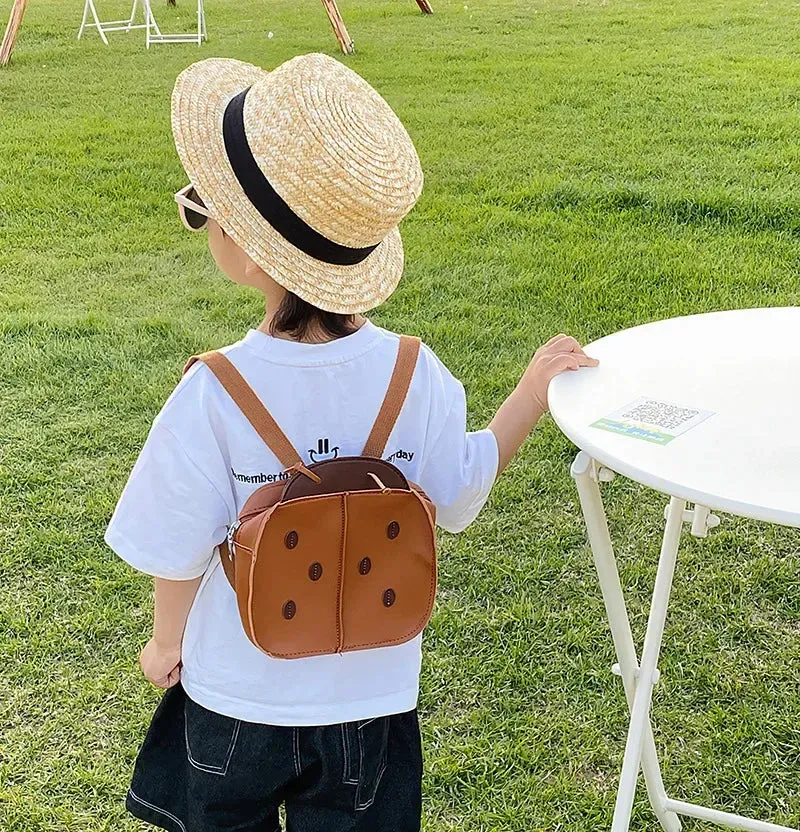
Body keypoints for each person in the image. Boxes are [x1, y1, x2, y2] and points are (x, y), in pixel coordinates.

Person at [105, 52, 598, 832]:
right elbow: (461, 492)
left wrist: (166, 643)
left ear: (247, 247)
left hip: (239, 697)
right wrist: (530, 394)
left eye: (206, 206)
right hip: (373, 703)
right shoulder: (415, 372)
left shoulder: (215, 389)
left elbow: (175, 549)